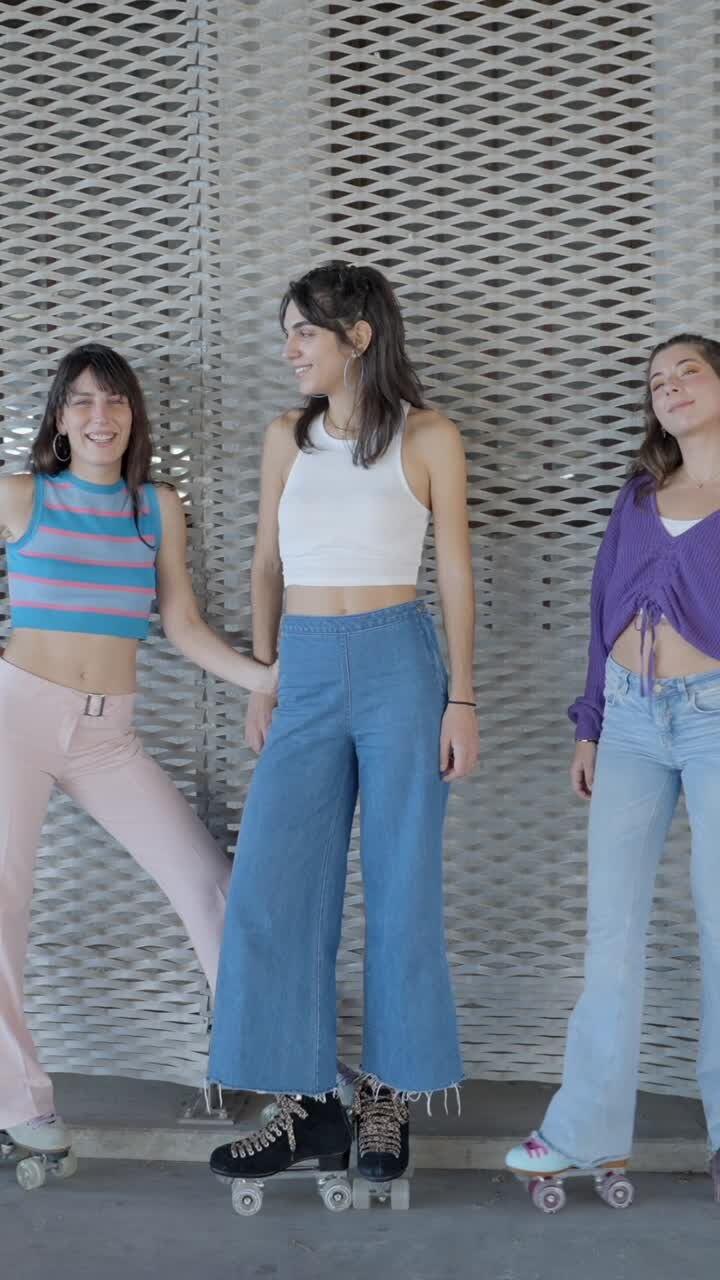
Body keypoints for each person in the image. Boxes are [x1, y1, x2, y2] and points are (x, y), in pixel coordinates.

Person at [208, 260, 479, 1188]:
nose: (289, 350)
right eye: (287, 332)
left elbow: (457, 573)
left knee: (403, 882)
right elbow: (264, 566)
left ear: (359, 335)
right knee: (273, 887)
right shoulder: (287, 434)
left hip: (403, 661)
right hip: (308, 666)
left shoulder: (430, 435)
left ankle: (386, 1100)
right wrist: (264, 678)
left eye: (304, 333)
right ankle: (308, 1105)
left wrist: (463, 697)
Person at [0, 343, 276, 1167]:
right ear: (57, 417)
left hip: (108, 735)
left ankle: (285, 1069)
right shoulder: (19, 497)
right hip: (15, 718)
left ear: (133, 416)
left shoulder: (154, 507)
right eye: (81, 401)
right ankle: (20, 1101)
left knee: (212, 886)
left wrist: (267, 677)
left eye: (114, 401)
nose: (99, 416)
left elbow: (183, 626)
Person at [506, 334, 720, 1205]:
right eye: (658, 381)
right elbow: (602, 604)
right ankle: (584, 1126)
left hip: (713, 724)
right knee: (611, 938)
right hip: (631, 722)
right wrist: (592, 725)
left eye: (690, 372)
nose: (670, 389)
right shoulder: (640, 497)